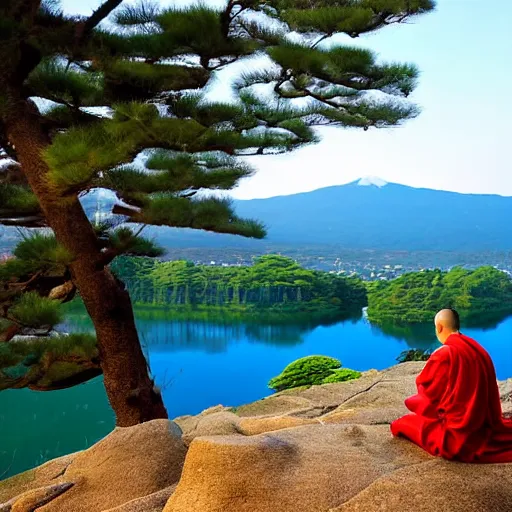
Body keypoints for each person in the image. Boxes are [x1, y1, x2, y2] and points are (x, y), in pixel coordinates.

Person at [390, 308, 512, 463]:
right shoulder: (477, 348)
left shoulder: (445, 354)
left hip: (458, 433)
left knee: (401, 424)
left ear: (439, 327)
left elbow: (428, 393)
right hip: (484, 424)